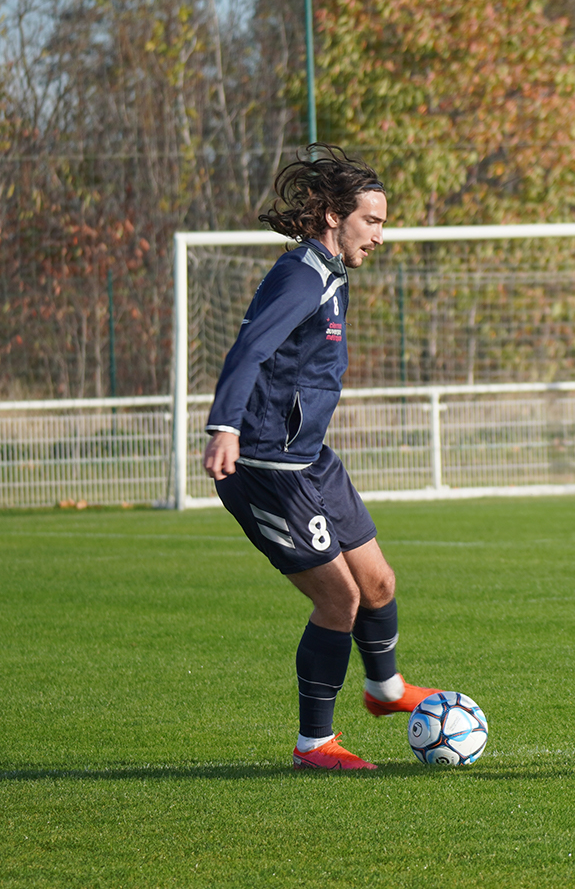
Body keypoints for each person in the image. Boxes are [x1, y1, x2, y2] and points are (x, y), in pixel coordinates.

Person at [203, 143, 441, 771]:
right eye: (373, 221)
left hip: (311, 459)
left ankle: (385, 691)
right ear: (335, 215)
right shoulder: (303, 274)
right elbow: (249, 350)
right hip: (265, 470)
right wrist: (224, 427)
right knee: (339, 600)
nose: (381, 236)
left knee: (379, 581)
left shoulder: (329, 274)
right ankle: (314, 745)